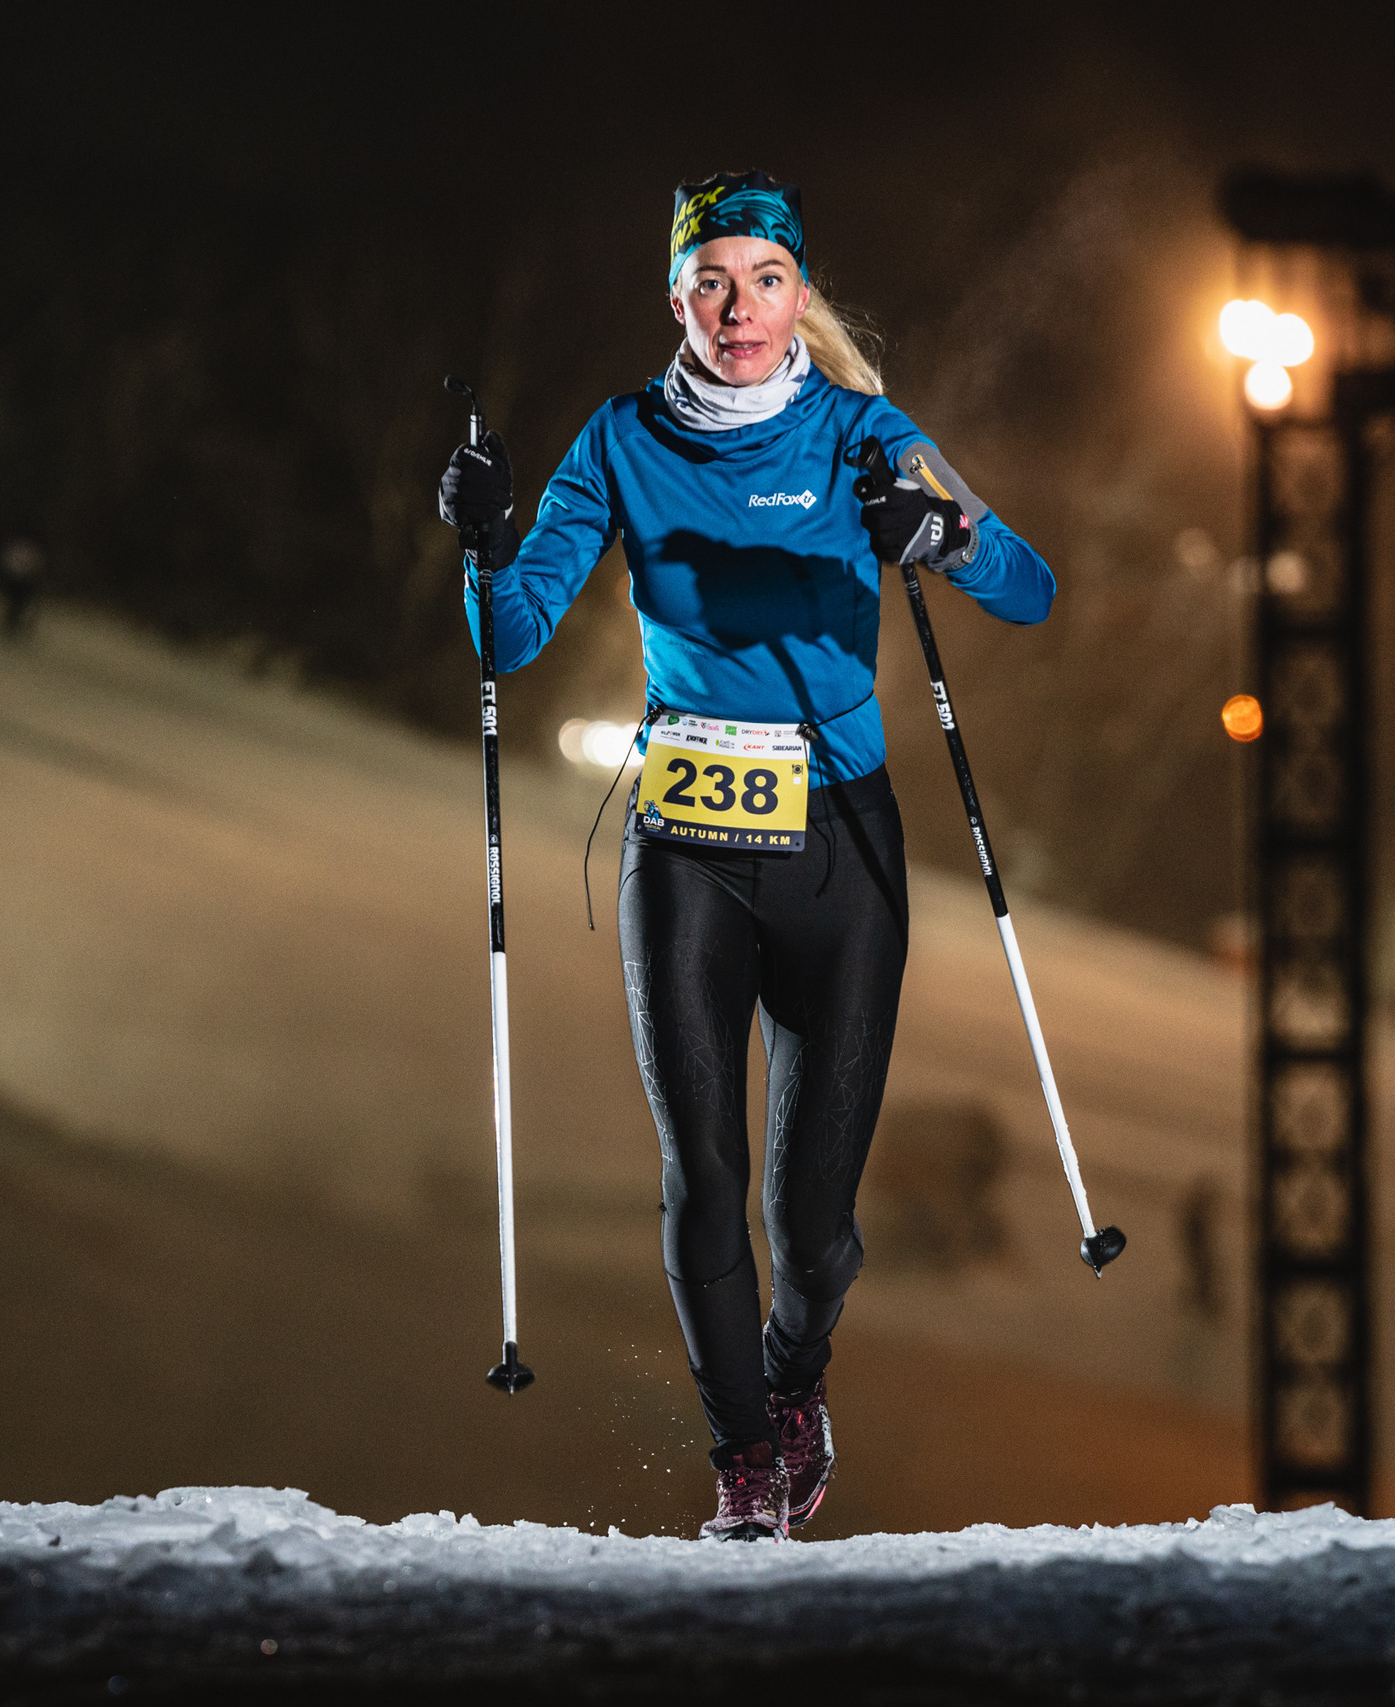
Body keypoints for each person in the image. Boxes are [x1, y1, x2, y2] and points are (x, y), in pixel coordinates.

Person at [437, 171, 1055, 1541]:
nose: (738, 308)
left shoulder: (864, 434)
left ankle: (793, 1377)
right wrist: (481, 542)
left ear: (799, 295)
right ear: (678, 300)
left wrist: (940, 535)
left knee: (812, 1226)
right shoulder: (620, 440)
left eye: (764, 281)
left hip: (841, 853)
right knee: (704, 1178)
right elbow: (509, 635)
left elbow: (1030, 586)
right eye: (710, 282)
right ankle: (743, 1467)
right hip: (688, 851)